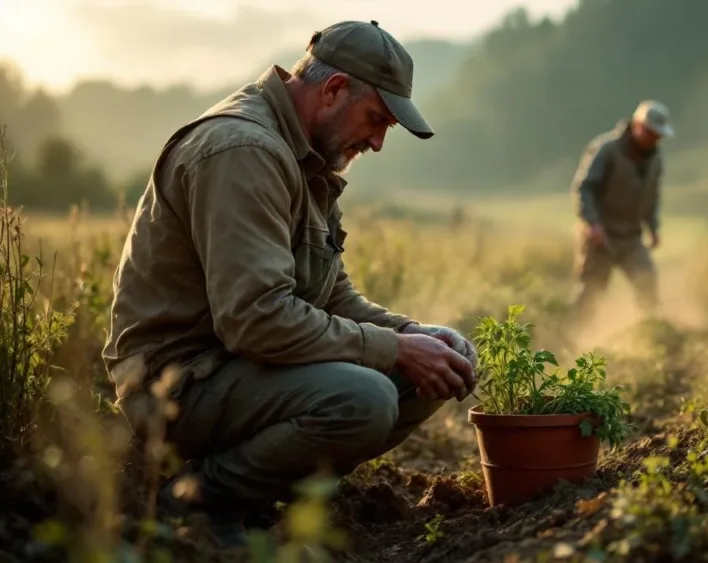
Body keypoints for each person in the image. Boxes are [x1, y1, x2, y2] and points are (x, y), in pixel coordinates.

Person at [102, 20, 479, 549]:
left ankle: (256, 485)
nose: (376, 142)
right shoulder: (243, 151)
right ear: (332, 90)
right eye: (376, 120)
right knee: (365, 399)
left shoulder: (305, 157)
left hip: (241, 367)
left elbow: (333, 297)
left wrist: (416, 335)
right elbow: (255, 320)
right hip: (178, 383)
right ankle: (194, 502)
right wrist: (394, 348)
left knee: (431, 367)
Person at [569, 99, 674, 323]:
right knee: (590, 294)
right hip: (600, 236)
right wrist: (593, 223)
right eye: (650, 133)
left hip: (631, 238)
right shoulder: (607, 150)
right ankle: (573, 340)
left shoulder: (656, 159)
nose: (654, 139)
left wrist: (653, 227)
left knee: (647, 285)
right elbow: (584, 188)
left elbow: (651, 197)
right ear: (637, 126)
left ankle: (649, 334)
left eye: (657, 135)